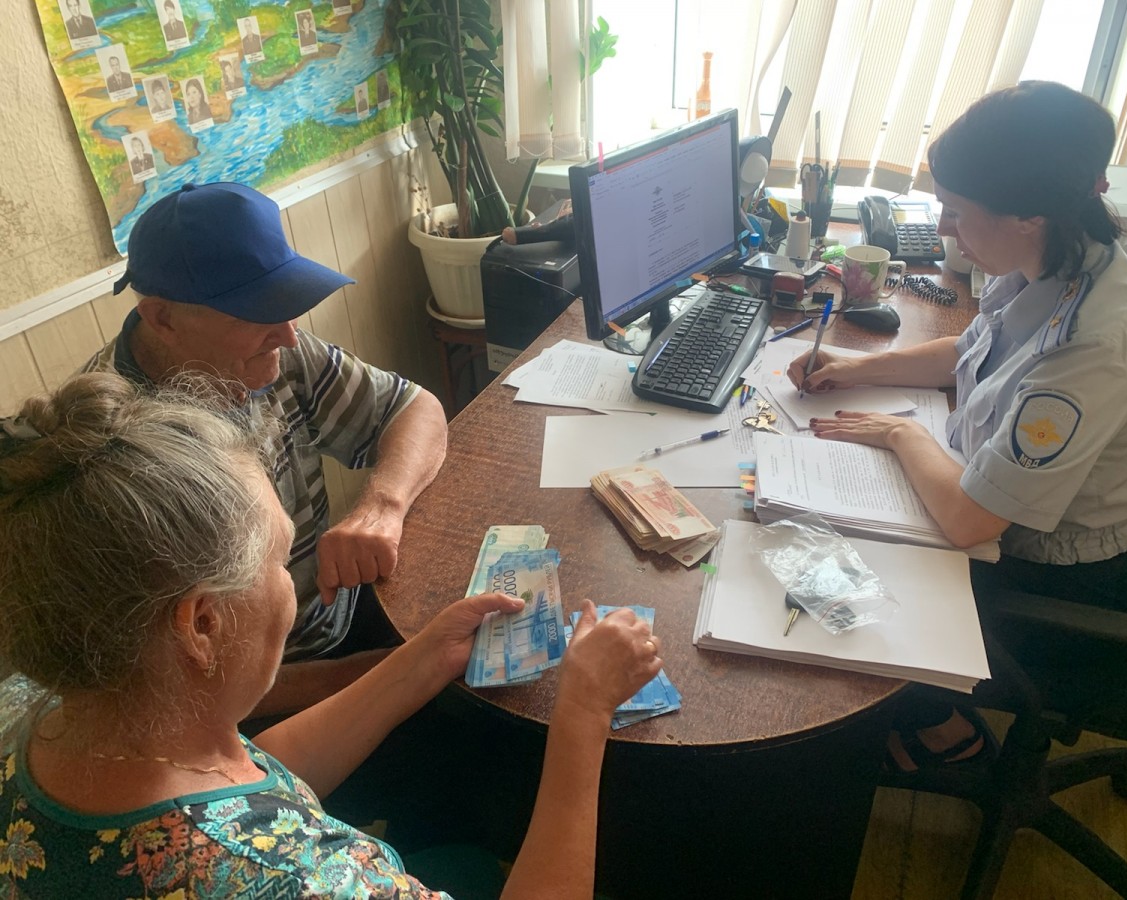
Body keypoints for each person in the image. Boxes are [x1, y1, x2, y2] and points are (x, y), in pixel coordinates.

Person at [0, 371, 662, 898]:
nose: (291, 581)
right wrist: (582, 714)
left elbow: (253, 781)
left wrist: (425, 656)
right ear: (202, 624)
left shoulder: (49, 701)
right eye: (280, 560)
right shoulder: (294, 880)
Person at [786, 81, 1127, 770]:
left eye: (957, 211)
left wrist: (900, 433)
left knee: (823, 588)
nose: (944, 228)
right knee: (813, 542)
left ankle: (944, 730)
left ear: (1027, 214)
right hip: (996, 519)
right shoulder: (1047, 261)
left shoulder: (1100, 339)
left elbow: (971, 520)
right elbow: (972, 352)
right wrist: (854, 367)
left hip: (1050, 584)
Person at [79, 182, 450, 718]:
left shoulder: (268, 349)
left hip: (341, 619)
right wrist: (385, 674)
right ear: (162, 318)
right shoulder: (110, 456)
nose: (290, 335)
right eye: (257, 309)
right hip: (249, 704)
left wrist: (382, 507)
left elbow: (416, 410)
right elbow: (176, 691)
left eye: (286, 302)